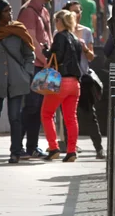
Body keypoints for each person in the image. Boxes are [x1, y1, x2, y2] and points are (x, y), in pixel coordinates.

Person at [0, 0, 35, 163]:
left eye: (10, 9)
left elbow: (29, 54)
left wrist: (27, 73)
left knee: (14, 117)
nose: (9, 13)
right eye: (6, 11)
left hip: (17, 79)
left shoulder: (18, 29)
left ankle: (15, 152)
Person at [17, 0, 55, 159]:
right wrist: (44, 58)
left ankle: (32, 146)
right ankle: (18, 146)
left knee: (39, 108)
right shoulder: (28, 12)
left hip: (44, 67)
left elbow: (48, 36)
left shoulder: (44, 11)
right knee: (30, 107)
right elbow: (31, 40)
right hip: (33, 66)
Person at [64, 0, 105, 159]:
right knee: (68, 114)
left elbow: (91, 57)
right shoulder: (60, 32)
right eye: (73, 11)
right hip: (66, 78)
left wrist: (84, 48)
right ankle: (70, 148)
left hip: (83, 78)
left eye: (79, 11)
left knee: (89, 114)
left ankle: (99, 148)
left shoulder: (86, 31)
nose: (77, 15)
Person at [42, 9, 82, 162]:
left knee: (46, 114)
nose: (55, 24)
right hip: (75, 83)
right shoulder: (75, 38)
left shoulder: (59, 37)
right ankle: (71, 151)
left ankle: (53, 148)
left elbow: (56, 57)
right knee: (71, 118)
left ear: (60, 21)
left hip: (60, 81)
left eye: (55, 21)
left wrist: (46, 51)